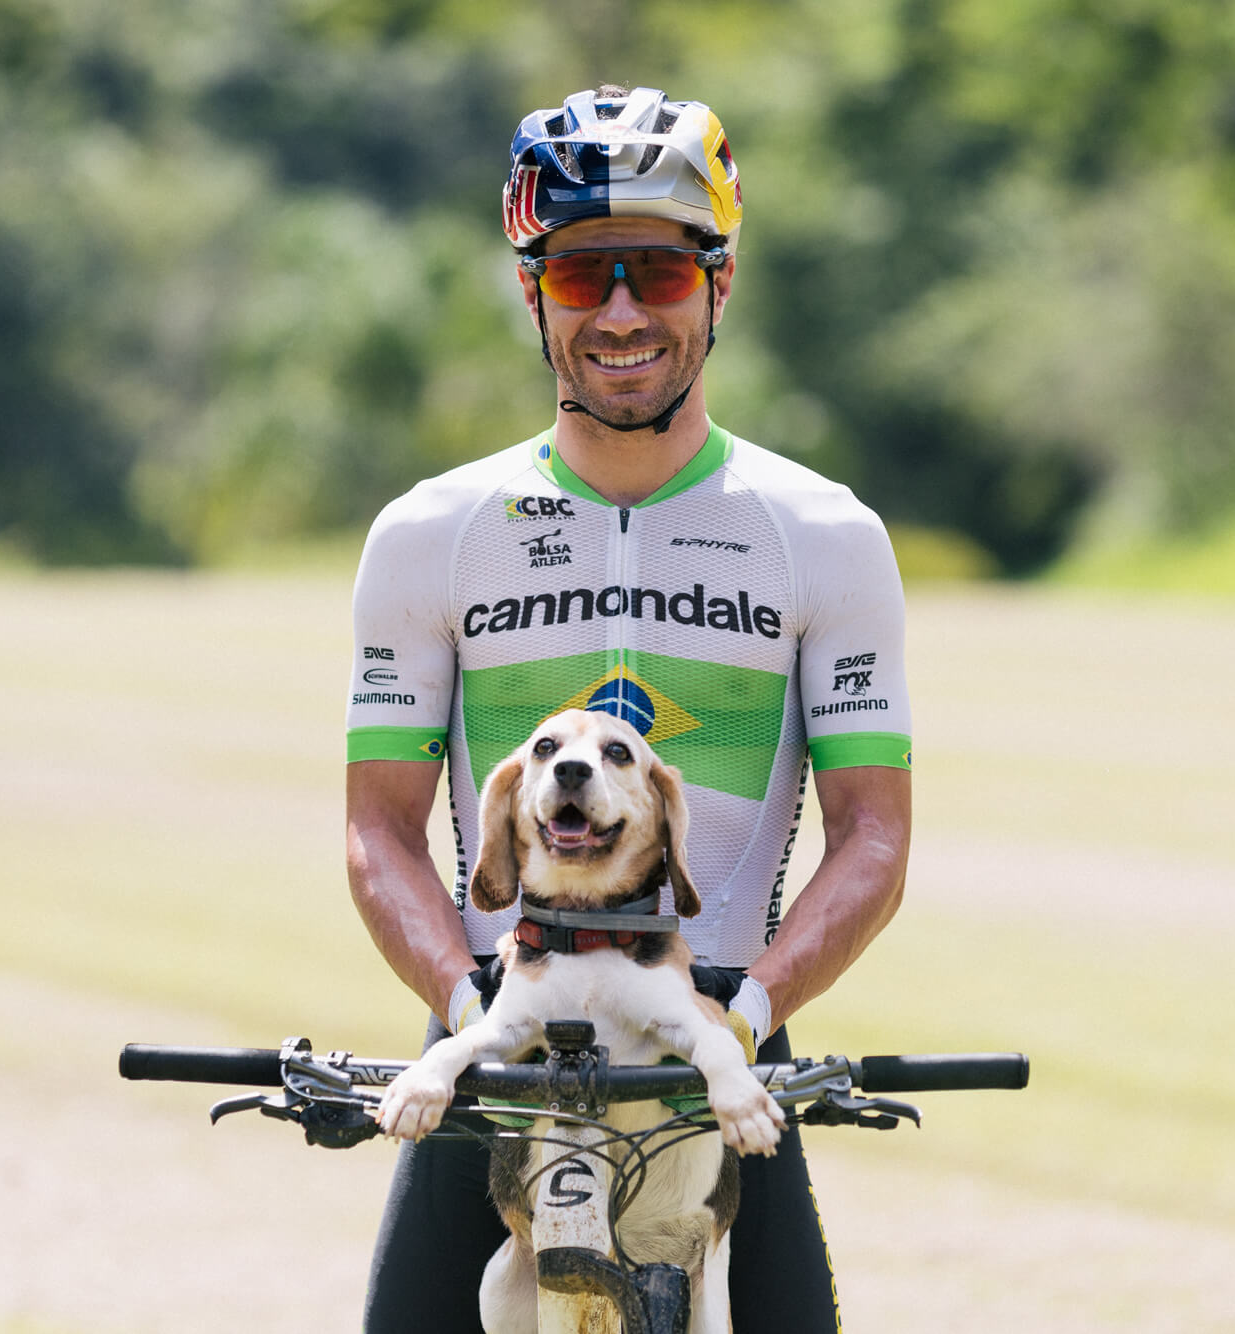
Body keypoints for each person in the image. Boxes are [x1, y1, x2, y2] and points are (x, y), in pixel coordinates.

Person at [345, 83, 912, 1333]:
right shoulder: (431, 533)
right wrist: (466, 1009)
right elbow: (378, 831)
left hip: (709, 1038)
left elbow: (873, 835)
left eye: (653, 271)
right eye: (578, 273)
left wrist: (747, 1009)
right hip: (503, 1029)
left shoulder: (821, 535)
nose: (615, 313)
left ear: (717, 284)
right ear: (529, 289)